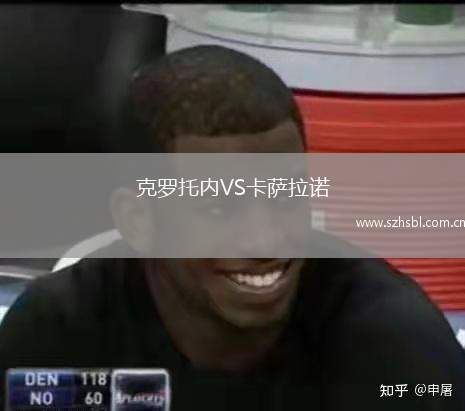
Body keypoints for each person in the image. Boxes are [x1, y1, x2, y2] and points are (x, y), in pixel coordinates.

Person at [0, 46, 464, 411]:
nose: (265, 239)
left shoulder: (396, 353)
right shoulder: (56, 334)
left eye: (285, 197)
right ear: (139, 221)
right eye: (220, 208)